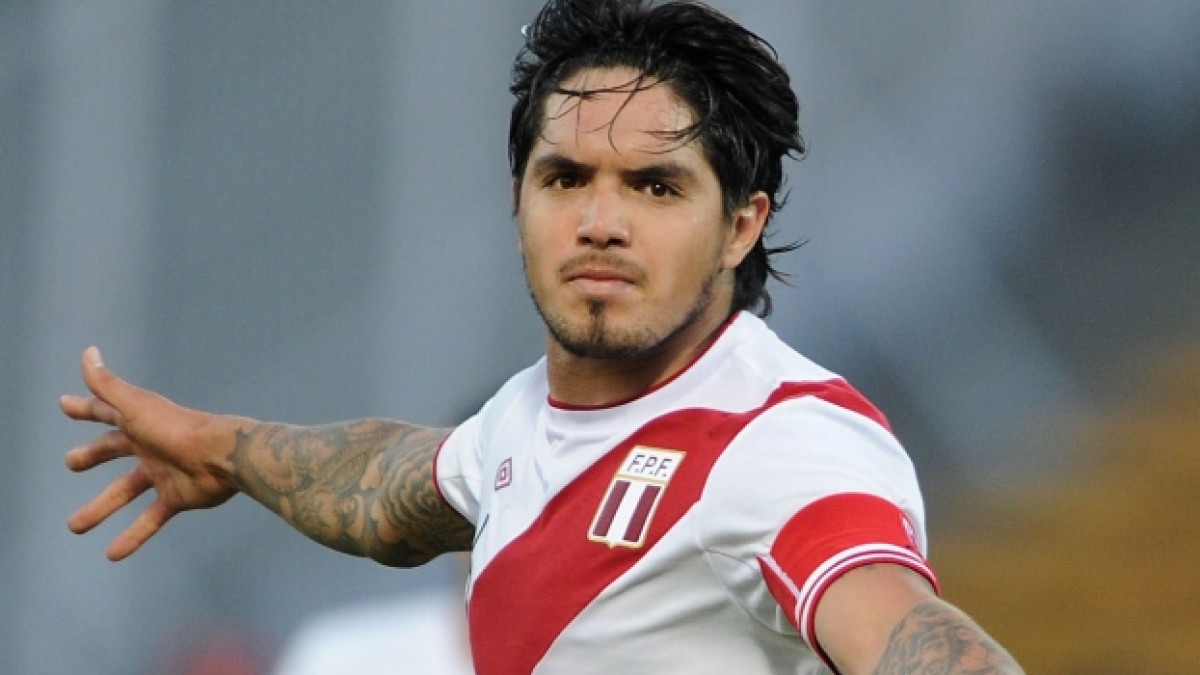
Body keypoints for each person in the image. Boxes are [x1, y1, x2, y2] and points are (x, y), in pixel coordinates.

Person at [61, 1, 1024, 673]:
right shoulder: (520, 423)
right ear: (517, 201)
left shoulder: (780, 440)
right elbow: (388, 488)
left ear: (741, 226)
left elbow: (906, 633)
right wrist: (224, 449)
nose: (601, 223)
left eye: (655, 186)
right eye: (566, 179)